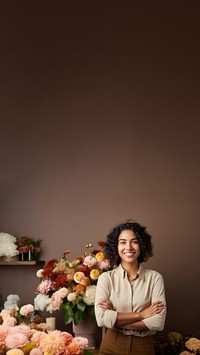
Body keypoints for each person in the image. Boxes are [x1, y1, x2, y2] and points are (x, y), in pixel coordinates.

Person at [95, 220, 166, 355]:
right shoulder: (106, 279)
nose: (128, 247)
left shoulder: (155, 278)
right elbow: (101, 319)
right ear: (116, 246)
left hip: (144, 347)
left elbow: (158, 322)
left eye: (134, 241)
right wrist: (142, 315)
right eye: (123, 242)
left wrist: (114, 319)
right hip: (111, 346)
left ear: (141, 245)